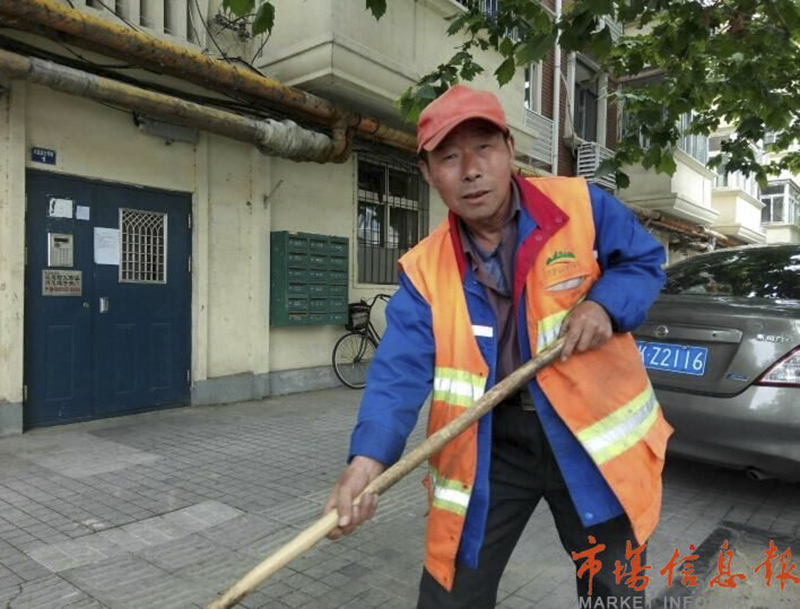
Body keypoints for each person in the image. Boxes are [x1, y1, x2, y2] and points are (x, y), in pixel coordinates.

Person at [324, 85, 672, 608]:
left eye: (483, 148)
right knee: (451, 593)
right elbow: (398, 373)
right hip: (491, 445)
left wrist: (604, 305)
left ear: (509, 150)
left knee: (613, 592)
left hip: (590, 440)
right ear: (427, 172)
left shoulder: (580, 206)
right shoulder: (424, 269)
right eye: (449, 157)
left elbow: (642, 262)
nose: (470, 170)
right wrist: (365, 464)